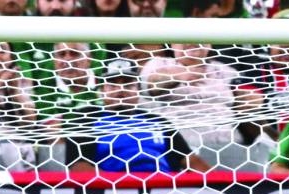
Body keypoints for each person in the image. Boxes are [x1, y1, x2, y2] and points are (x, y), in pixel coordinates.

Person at [64, 58, 211, 174]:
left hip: (163, 191)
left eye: (128, 85)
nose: (120, 90)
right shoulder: (85, 120)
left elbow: (190, 161)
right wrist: (123, 186)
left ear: (139, 90)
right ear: (101, 91)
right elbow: (79, 168)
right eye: (112, 85)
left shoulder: (158, 121)